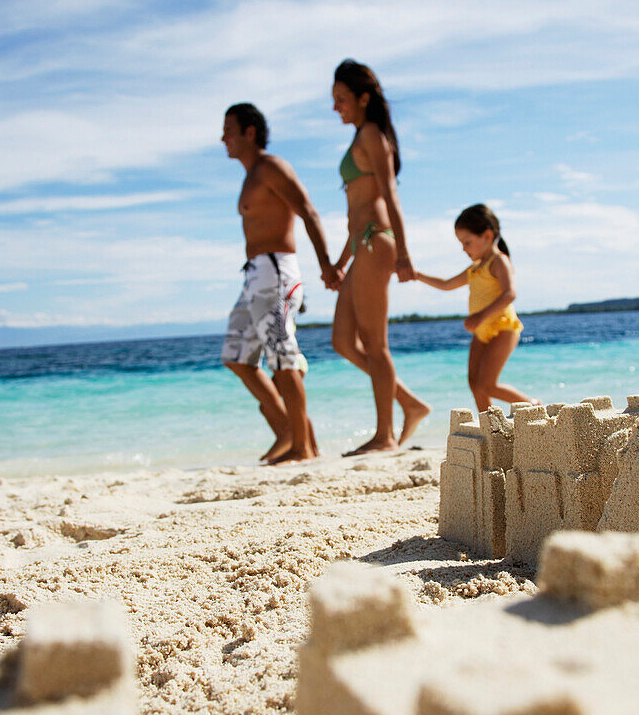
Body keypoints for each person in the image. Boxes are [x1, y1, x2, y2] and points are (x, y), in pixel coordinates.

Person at [220, 102, 340, 464]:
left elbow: (308, 211)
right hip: (254, 274)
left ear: (249, 132)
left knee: (283, 359)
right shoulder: (249, 175)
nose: (223, 137)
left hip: (277, 271)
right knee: (236, 356)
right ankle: (288, 431)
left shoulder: (272, 167)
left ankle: (303, 447)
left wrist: (326, 266)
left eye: (228, 129)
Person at [329, 59, 430, 455]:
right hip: (361, 245)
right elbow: (358, 209)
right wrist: (341, 259)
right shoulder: (361, 135)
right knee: (342, 340)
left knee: (375, 343)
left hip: (377, 242)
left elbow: (389, 197)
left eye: (341, 99)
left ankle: (385, 435)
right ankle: (409, 403)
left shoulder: (372, 134)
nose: (336, 107)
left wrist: (404, 252)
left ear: (363, 98)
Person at [413, 204, 538, 411]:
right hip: (482, 332)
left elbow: (510, 294)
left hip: (503, 328)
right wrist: (417, 275)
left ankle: (532, 404)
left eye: (467, 242)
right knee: (475, 384)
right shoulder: (474, 269)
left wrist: (480, 316)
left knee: (487, 384)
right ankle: (491, 428)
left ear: (487, 236)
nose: (464, 248)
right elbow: (445, 284)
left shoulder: (499, 261)